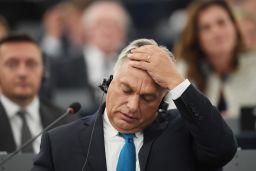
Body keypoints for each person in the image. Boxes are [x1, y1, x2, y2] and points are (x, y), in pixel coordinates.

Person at [32, 38, 237, 171]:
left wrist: (176, 81)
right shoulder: (59, 142)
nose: (132, 106)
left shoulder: (186, 135)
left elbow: (223, 149)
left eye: (147, 98)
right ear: (107, 84)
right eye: (126, 90)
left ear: (161, 103)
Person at [174, 0, 256, 118]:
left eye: (221, 23)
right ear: (196, 37)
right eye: (206, 28)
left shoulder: (253, 65)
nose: (216, 32)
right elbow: (176, 121)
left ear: (235, 26)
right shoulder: (182, 72)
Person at [49, 0, 131, 115]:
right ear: (87, 31)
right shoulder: (62, 68)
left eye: (114, 25)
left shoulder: (131, 67)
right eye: (100, 24)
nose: (107, 31)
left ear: (123, 34)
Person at [0, 34, 66, 154]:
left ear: (44, 72)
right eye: (12, 64)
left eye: (31, 64)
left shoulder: (65, 120)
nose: (22, 73)